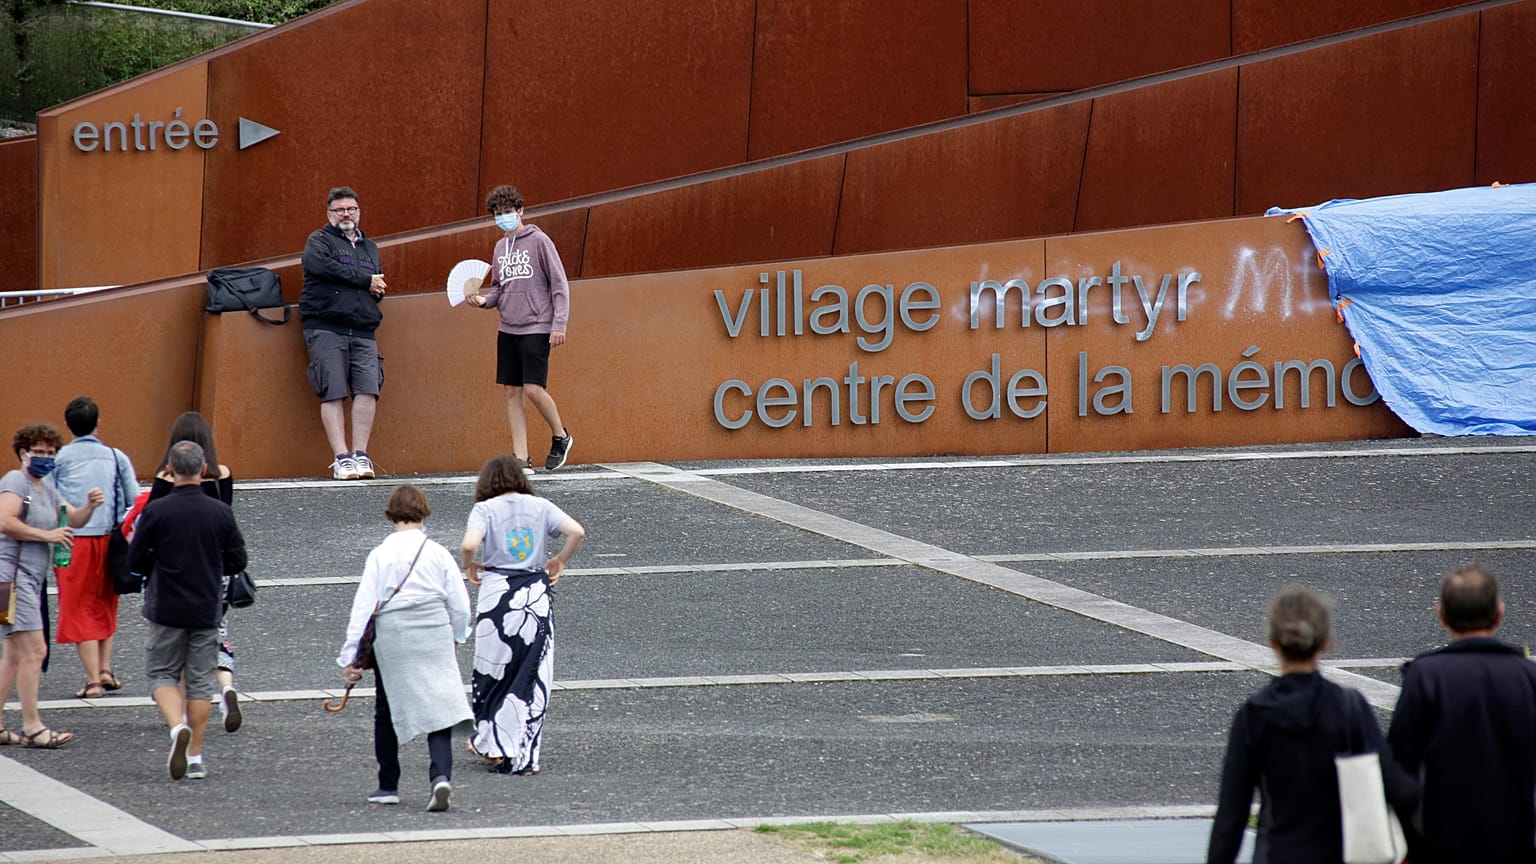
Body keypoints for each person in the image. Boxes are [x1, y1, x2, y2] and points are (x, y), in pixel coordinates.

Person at [1208, 586, 1416, 864]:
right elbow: (1396, 787)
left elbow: (1231, 816)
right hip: (1339, 852)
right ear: (1326, 642)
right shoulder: (1348, 707)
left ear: (1272, 642)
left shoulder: (1254, 715)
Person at [1388, 566, 1536, 864]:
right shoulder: (1527, 675)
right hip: (1518, 834)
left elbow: (1401, 760)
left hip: (1443, 837)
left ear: (1441, 615)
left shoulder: (1425, 674)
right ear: (1499, 613)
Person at [338, 485, 472, 812]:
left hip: (393, 630)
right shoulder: (438, 552)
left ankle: (388, 785)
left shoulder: (380, 555)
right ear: (424, 513)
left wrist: (351, 657)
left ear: (391, 515)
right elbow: (460, 604)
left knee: (386, 707)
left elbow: (363, 608)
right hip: (434, 625)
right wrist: (457, 637)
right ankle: (440, 777)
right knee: (441, 707)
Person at [459, 455, 584, 775]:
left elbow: (470, 543)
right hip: (534, 595)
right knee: (531, 673)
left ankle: (491, 742)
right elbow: (577, 532)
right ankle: (524, 753)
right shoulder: (540, 505)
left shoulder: (485, 509)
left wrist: (469, 563)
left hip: (497, 595)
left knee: (492, 672)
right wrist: (560, 560)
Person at [130, 441, 246, 780]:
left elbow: (136, 559)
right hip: (206, 606)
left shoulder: (157, 511)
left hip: (166, 604)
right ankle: (195, 755)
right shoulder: (220, 512)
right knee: (198, 684)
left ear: (171, 470)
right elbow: (238, 560)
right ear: (202, 469)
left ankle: (175, 726)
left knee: (162, 674)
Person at [0, 424, 103, 748]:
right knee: (35, 650)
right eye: (38, 451)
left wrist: (90, 506)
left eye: (50, 452)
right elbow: (5, 520)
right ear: (23, 453)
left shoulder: (45, 486)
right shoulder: (16, 481)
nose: (45, 457)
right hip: (12, 577)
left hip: (26, 579)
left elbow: (72, 519)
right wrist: (48, 536)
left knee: (14, 654)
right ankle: (32, 725)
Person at [467, 185, 573, 473]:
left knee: (533, 389)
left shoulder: (539, 241)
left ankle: (561, 436)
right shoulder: (500, 247)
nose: (503, 218)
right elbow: (500, 288)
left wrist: (559, 323)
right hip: (508, 327)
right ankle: (521, 457)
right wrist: (483, 300)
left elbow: (559, 283)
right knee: (511, 392)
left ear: (521, 211)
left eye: (508, 212)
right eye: (498, 214)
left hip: (537, 325)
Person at [148, 411, 242, 732]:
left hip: (172, 574)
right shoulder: (222, 474)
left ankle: (183, 716)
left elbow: (151, 526)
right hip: (215, 571)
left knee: (171, 651)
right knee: (214, 636)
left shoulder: (164, 478)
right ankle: (225, 686)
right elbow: (226, 518)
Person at [52, 397, 138, 698]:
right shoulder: (116, 456)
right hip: (111, 541)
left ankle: (92, 681)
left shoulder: (58, 458)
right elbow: (133, 500)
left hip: (71, 540)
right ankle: (105, 668)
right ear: (98, 423)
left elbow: (41, 497)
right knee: (105, 603)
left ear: (68, 425)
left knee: (78, 607)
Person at [300, 185, 387, 481]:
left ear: (359, 212)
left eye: (351, 208)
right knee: (332, 390)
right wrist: (365, 281)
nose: (346, 214)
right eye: (340, 209)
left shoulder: (369, 247)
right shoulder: (319, 241)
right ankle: (341, 458)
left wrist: (375, 291)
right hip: (326, 327)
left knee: (368, 389)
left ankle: (361, 456)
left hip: (363, 329)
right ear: (329, 214)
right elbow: (323, 268)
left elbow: (376, 282)